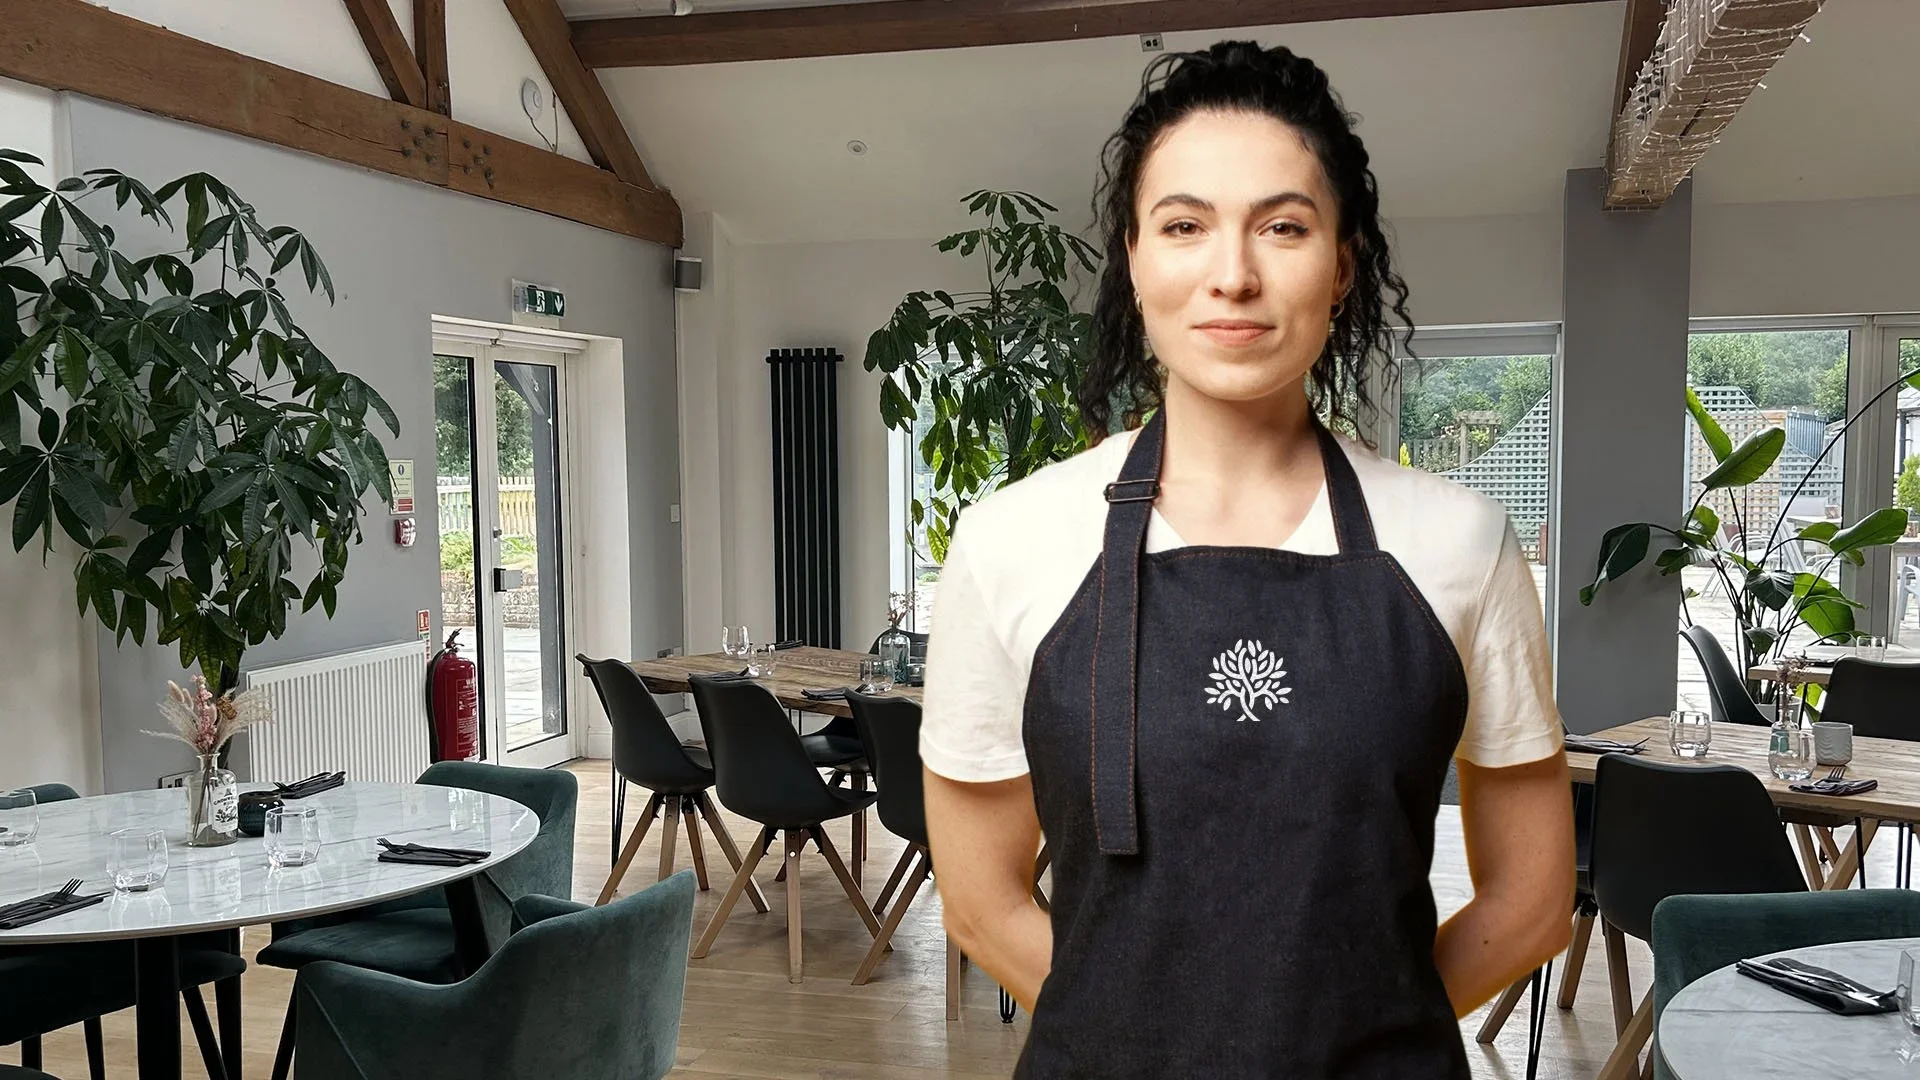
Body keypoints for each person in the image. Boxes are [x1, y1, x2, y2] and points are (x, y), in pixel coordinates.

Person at [918, 41, 1574, 1078]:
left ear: (1343, 263)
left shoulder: (1461, 543)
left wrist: (1352, 1043)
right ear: (1133, 258)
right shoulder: (1008, 544)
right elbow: (981, 900)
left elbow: (1533, 905)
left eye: (1283, 226)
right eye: (1184, 226)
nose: (1233, 274)